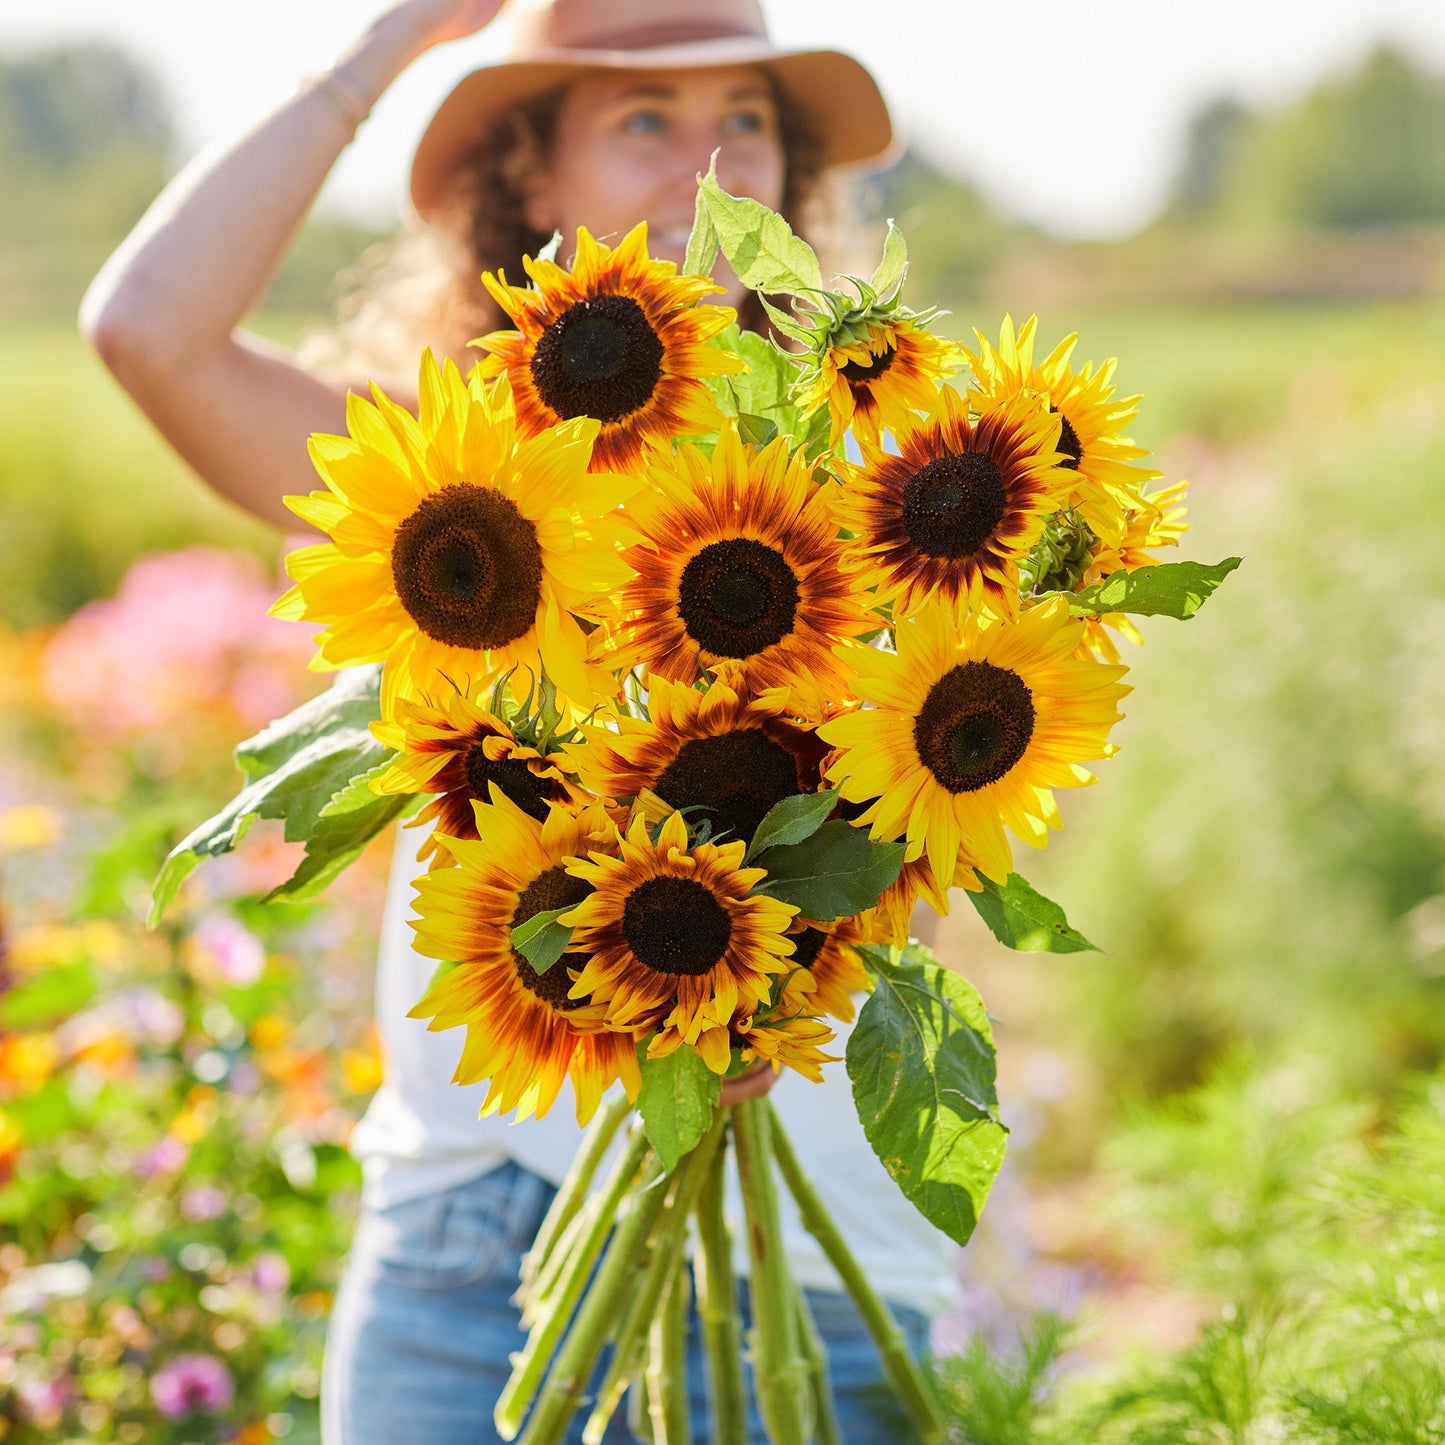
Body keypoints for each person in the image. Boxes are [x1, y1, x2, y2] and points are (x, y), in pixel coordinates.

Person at [81, 2, 954, 1440]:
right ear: (529, 181)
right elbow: (150, 332)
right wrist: (393, 44)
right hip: (468, 1265)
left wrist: (767, 963)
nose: (705, 166)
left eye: (743, 117)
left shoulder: (902, 484)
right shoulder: (454, 495)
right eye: (639, 121)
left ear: (791, 186)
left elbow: (932, 811)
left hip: (807, 1277)